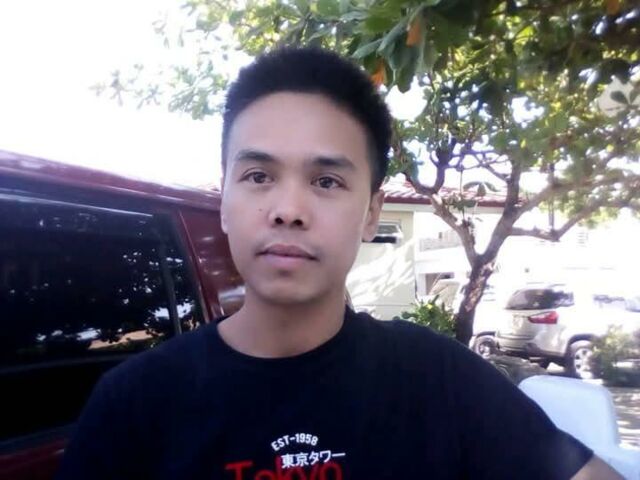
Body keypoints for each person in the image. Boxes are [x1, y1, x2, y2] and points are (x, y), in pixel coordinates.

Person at [57, 47, 622, 480]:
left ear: (371, 212)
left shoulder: (441, 379)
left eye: (326, 181)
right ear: (224, 197)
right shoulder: (133, 404)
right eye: (258, 176)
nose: (288, 210)